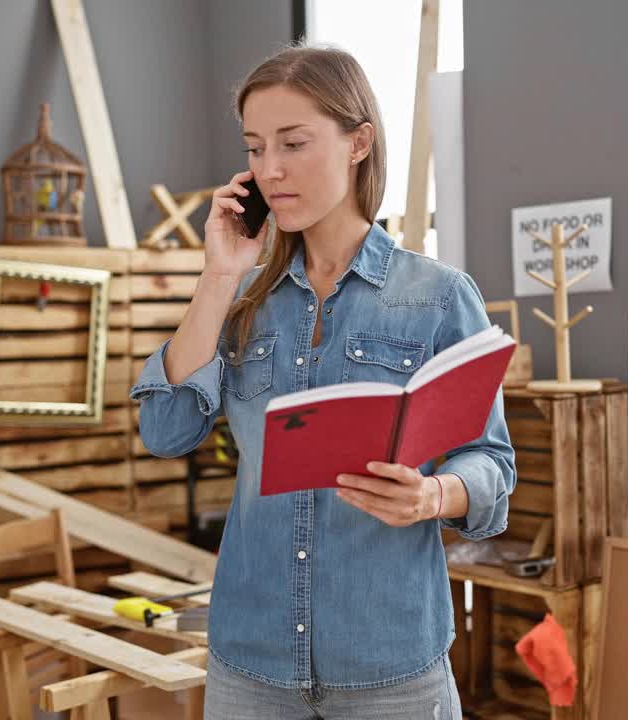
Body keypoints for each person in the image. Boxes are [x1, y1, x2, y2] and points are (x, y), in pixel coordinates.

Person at [131, 45, 516, 720]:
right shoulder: (242, 297)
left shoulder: (439, 297)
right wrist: (219, 275)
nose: (269, 170)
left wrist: (432, 494)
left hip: (390, 664)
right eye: (254, 148)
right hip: (251, 663)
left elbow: (493, 467)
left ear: (358, 141)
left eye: (294, 143)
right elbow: (165, 432)